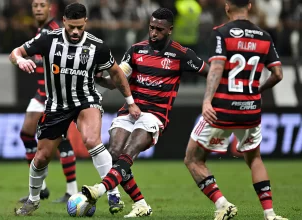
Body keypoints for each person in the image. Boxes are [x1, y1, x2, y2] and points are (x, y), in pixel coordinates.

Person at [9, 2, 141, 216]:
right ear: (64, 22)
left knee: (91, 140)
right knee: (41, 157)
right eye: (72, 27)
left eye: (80, 27)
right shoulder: (48, 39)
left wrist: (130, 101)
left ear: (85, 22)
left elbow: (116, 73)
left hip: (86, 100)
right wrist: (20, 60)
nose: (76, 32)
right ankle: (33, 200)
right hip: (56, 106)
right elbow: (16, 52)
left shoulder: (96, 46)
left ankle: (113, 193)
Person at [82, 8, 209, 218]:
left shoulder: (181, 54)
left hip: (155, 115)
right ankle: (140, 204)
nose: (154, 33)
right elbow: (116, 81)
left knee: (128, 152)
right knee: (114, 154)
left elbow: (209, 71)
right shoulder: (136, 51)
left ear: (170, 30)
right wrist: (98, 78)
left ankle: (99, 189)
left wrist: (215, 94)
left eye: (159, 29)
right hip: (129, 111)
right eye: (151, 27)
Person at [183, 1, 287, 220]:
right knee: (255, 159)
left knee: (193, 159)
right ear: (249, 6)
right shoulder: (264, 36)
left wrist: (207, 101)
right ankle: (270, 214)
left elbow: (217, 67)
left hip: (221, 109)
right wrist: (257, 90)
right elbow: (278, 74)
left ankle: (222, 204)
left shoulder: (221, 33)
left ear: (227, 6)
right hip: (250, 111)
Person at [18, 0, 78, 204]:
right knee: (27, 134)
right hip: (40, 92)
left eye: (42, 5)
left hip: (53, 95)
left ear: (50, 8)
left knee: (61, 140)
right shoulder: (41, 30)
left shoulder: (55, 31)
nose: (37, 9)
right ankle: (42, 187)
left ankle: (71, 190)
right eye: (35, 5)